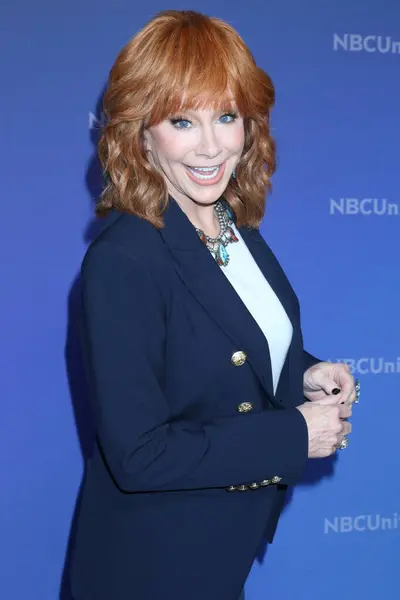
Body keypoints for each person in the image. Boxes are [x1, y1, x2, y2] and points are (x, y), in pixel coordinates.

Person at [69, 9, 359, 600]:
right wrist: (292, 436)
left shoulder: (232, 226)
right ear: (141, 131)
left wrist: (306, 372)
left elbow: (228, 346)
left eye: (226, 116)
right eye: (182, 120)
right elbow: (139, 454)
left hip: (215, 558)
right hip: (149, 570)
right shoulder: (123, 260)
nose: (210, 147)